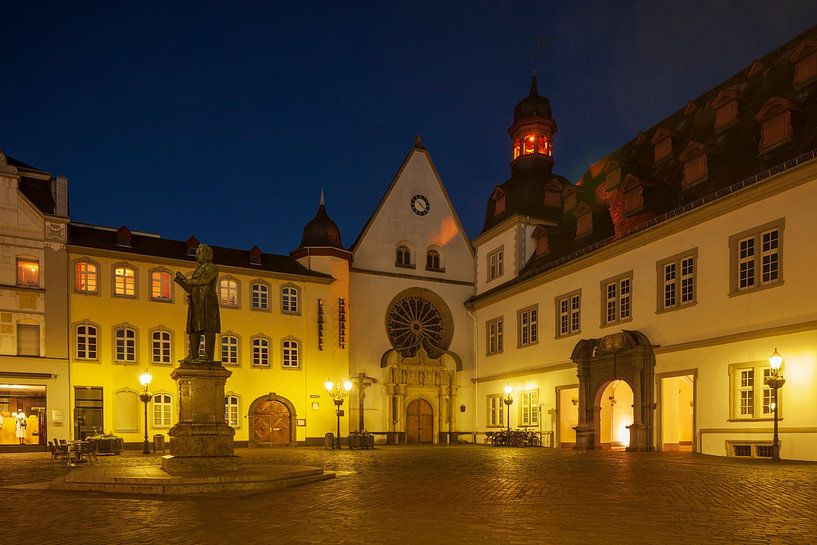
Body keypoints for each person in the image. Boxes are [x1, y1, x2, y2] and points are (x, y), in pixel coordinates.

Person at [174, 244, 221, 362]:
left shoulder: (212, 267)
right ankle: (193, 355)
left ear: (206, 254)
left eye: (199, 253)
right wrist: (183, 282)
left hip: (207, 300)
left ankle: (208, 355)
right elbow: (194, 286)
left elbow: (205, 280)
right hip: (196, 300)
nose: (197, 256)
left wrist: (190, 281)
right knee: (193, 327)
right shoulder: (198, 269)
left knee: (208, 327)